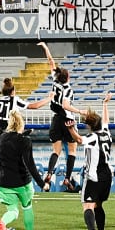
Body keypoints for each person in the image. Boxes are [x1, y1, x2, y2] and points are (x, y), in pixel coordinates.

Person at [0, 110, 48, 230]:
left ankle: (2, 222)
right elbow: (30, 164)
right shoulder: (25, 141)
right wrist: (42, 184)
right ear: (21, 124)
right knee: (27, 207)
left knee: (13, 211)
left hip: (4, 182)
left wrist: (22, 135)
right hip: (22, 182)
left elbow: (6, 144)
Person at [67, 92, 113, 230]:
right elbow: (106, 120)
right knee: (98, 205)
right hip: (107, 174)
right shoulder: (106, 133)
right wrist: (105, 104)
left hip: (94, 175)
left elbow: (79, 140)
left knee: (87, 205)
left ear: (90, 126)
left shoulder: (93, 137)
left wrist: (71, 129)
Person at [38, 41, 84, 192]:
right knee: (72, 150)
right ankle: (67, 178)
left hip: (56, 118)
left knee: (55, 150)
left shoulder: (55, 81)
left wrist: (45, 47)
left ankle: (50, 172)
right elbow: (66, 105)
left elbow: (51, 62)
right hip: (67, 118)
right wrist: (79, 111)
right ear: (68, 77)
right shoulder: (68, 88)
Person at [0, 77, 50, 155]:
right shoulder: (14, 100)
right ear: (13, 91)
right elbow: (34, 106)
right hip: (9, 138)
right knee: (12, 162)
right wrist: (49, 98)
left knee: (3, 163)